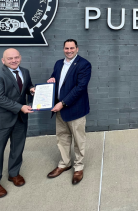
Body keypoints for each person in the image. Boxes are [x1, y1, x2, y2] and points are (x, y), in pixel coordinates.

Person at [0, 48, 34, 198]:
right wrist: (20, 107)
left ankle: (13, 174)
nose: (14, 60)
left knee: (17, 148)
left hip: (20, 119)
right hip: (2, 119)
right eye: (10, 58)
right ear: (3, 60)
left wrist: (32, 90)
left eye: (16, 57)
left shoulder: (25, 71)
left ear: (20, 58)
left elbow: (27, 88)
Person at [46, 39, 91, 185]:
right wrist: (51, 81)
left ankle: (78, 167)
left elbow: (80, 88)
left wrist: (63, 103)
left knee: (79, 140)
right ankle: (64, 164)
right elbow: (56, 79)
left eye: (72, 48)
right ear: (63, 49)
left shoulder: (84, 64)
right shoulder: (59, 63)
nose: (69, 50)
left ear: (77, 49)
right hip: (59, 109)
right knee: (62, 138)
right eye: (66, 48)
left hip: (75, 109)